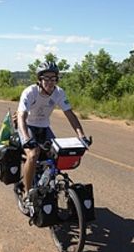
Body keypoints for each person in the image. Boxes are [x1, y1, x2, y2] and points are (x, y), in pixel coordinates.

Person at [17, 61, 89, 202]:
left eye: (53, 78)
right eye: (46, 78)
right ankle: (26, 192)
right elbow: (21, 115)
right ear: (39, 79)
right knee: (33, 154)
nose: (50, 82)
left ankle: (47, 183)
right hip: (28, 126)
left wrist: (81, 136)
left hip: (44, 127)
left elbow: (70, 115)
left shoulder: (58, 93)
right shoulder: (30, 92)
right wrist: (26, 138)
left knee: (57, 154)